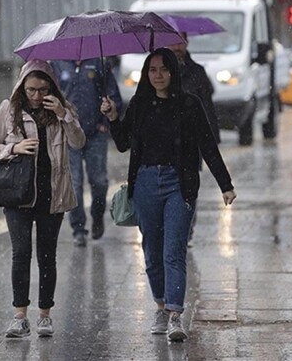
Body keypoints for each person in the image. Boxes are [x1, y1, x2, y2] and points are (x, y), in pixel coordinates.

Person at [100, 48, 236, 342]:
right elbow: (123, 143)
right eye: (152, 70)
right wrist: (112, 117)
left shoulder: (189, 104)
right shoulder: (139, 105)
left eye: (163, 69)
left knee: (173, 249)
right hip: (146, 182)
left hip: (180, 184)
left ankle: (175, 315)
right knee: (151, 250)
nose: (158, 75)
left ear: (173, 73)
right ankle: (160, 306)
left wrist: (225, 184)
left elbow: (208, 146)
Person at [0, 59, 85, 338]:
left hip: (52, 195)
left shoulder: (63, 111)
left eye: (43, 90)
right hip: (18, 194)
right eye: (31, 90)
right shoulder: (9, 109)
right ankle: (19, 315)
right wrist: (14, 147)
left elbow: (79, 142)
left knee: (46, 255)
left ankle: (44, 315)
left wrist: (64, 114)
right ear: (22, 87)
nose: (37, 96)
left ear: (52, 88)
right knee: (21, 253)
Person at [51, 58, 123, 247]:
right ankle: (78, 228)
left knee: (99, 181)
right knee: (74, 183)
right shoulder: (57, 64)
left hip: (95, 134)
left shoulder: (100, 62)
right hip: (69, 134)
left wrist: (105, 121)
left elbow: (115, 97)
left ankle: (97, 216)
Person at [167, 34, 220, 143]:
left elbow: (207, 107)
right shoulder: (157, 73)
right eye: (173, 42)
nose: (177, 47)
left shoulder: (197, 72)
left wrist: (211, 137)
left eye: (180, 42)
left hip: (191, 139)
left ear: (186, 42)